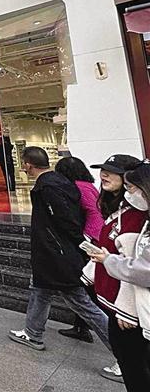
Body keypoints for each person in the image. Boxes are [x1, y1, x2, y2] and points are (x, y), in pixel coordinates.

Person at [8, 147, 113, 365]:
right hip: (54, 253)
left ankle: (126, 353)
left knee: (82, 304)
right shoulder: (62, 182)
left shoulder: (47, 186)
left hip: (56, 254)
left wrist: (79, 243)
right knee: (39, 290)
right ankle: (33, 333)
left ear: (27, 165)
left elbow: (65, 220)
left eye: (23, 164)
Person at [85, 155, 146, 387]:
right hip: (111, 299)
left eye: (111, 171)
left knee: (136, 369)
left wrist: (127, 310)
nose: (104, 175)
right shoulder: (117, 208)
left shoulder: (138, 215)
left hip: (127, 310)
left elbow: (137, 269)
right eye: (103, 170)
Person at [54, 156, 104, 343]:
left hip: (91, 241)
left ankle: (89, 326)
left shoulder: (79, 187)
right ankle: (81, 326)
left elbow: (94, 212)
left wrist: (86, 238)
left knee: (86, 286)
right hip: (93, 239)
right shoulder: (88, 185)